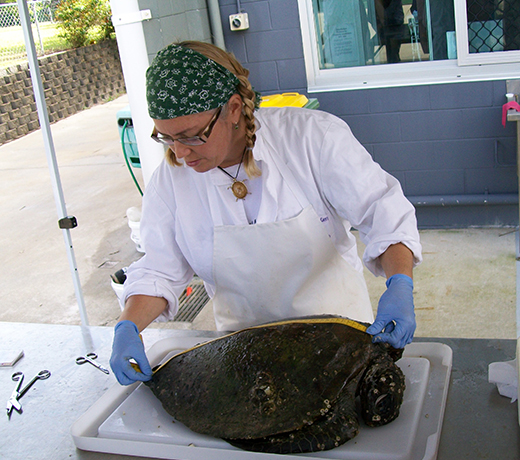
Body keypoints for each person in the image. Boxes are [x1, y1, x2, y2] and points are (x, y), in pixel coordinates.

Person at [110, 41, 422, 386]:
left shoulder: (311, 138)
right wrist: (128, 325)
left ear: (232, 109)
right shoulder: (171, 183)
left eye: (193, 136)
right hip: (246, 362)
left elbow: (382, 211)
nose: (181, 153)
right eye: (166, 138)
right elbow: (159, 271)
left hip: (342, 350)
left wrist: (400, 283)